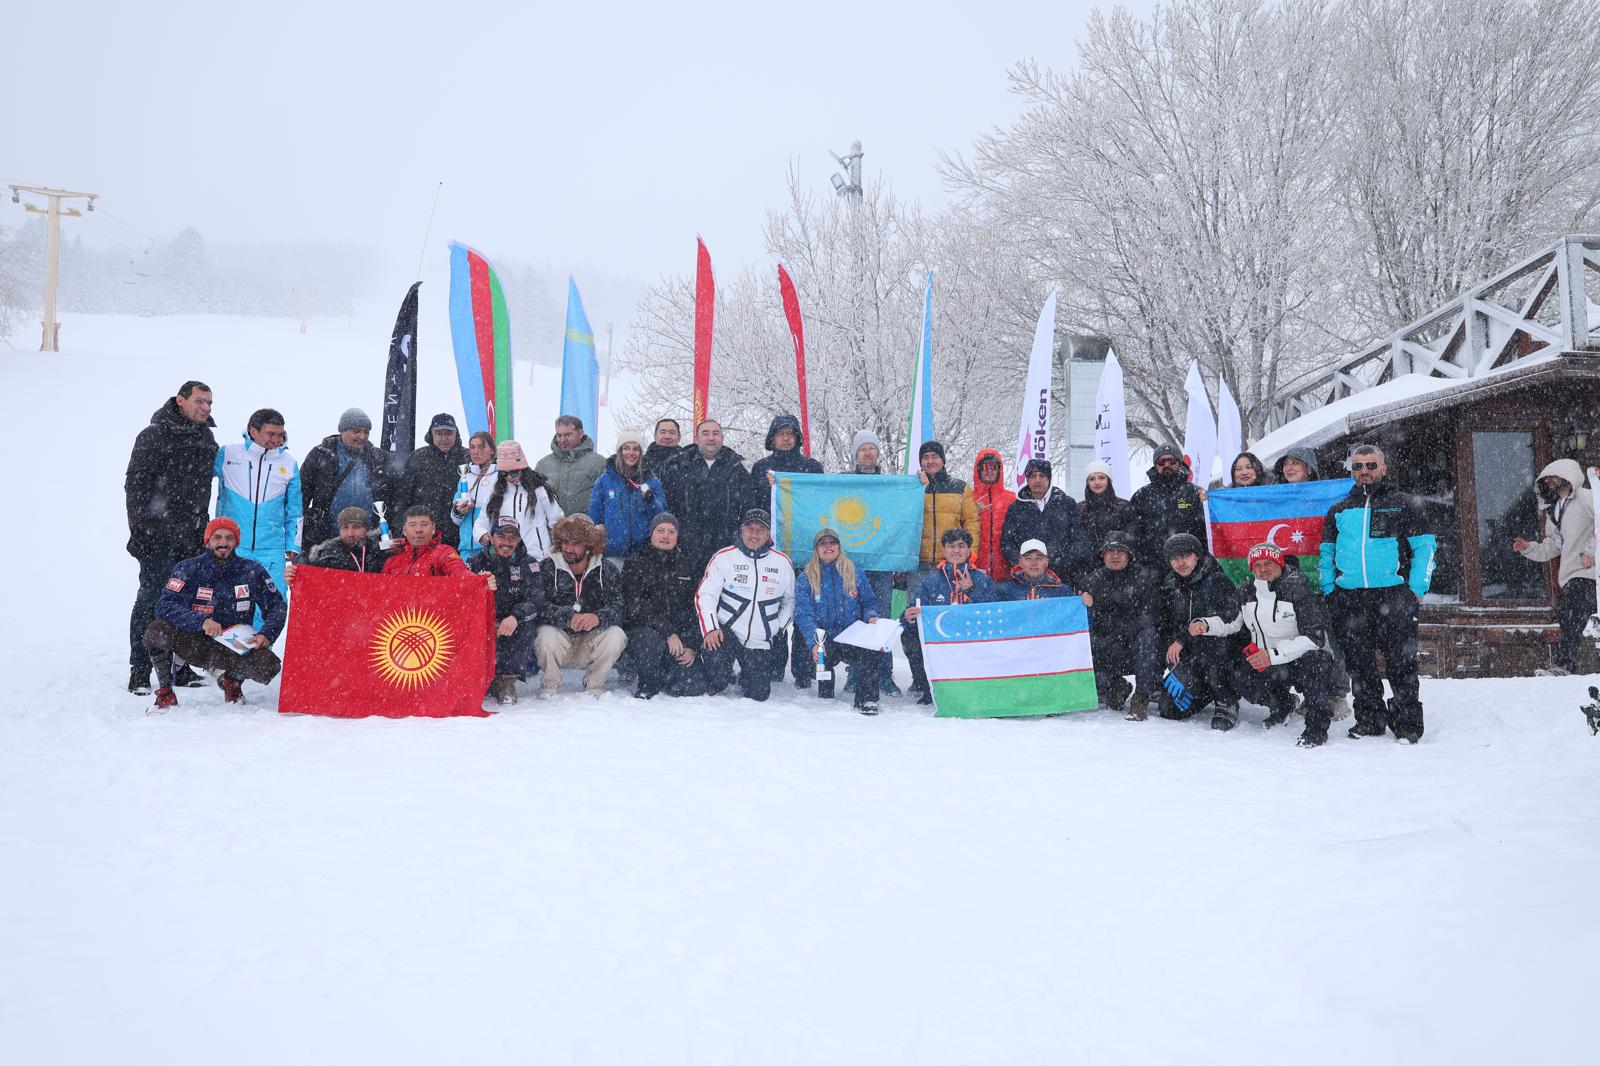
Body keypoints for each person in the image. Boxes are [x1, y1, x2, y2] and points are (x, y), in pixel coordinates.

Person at [1319, 444, 1437, 742]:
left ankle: (1407, 723)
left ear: (1384, 468)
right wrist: (1330, 590)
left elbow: (1425, 548)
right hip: (1350, 598)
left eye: (1371, 465)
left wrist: (1416, 590)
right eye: (1358, 466)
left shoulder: (1403, 504)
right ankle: (1370, 720)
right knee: (1359, 664)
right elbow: (1326, 553)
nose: (1364, 471)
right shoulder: (1339, 510)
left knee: (1401, 662)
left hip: (1394, 596)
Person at [1192, 541, 1336, 747]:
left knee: (1317, 666)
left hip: (1300, 658)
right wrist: (1205, 624)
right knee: (1239, 674)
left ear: (1279, 564)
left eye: (1268, 563)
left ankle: (1316, 729)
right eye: (1257, 565)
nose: (1262, 570)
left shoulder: (1300, 590)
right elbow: (1231, 621)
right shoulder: (1246, 591)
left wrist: (1273, 655)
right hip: (1266, 660)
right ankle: (1283, 704)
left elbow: (1315, 639)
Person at [125, 380, 218, 694]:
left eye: (209, 403)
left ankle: (180, 667)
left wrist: (203, 531)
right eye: (199, 401)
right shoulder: (153, 436)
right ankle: (140, 671)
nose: (205, 408)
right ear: (180, 400)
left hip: (192, 538)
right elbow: (135, 488)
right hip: (157, 537)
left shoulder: (206, 439)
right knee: (151, 601)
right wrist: (140, 532)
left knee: (189, 604)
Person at [142, 517, 288, 709]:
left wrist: (266, 634)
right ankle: (166, 693)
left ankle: (232, 682)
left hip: (233, 645)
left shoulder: (252, 570)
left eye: (229, 538)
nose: (223, 543)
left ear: (236, 542)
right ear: (208, 541)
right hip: (195, 642)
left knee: (269, 665)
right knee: (157, 630)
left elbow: (277, 606)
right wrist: (201, 621)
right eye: (217, 537)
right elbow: (165, 605)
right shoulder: (188, 568)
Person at [696, 508, 795, 702]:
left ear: (768, 534)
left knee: (759, 694)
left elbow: (790, 600)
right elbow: (705, 595)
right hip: (726, 632)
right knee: (717, 680)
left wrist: (777, 626)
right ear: (742, 530)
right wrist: (711, 628)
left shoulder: (782, 562)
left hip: (760, 637)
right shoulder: (724, 557)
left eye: (760, 530)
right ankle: (721, 675)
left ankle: (746, 675)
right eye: (750, 529)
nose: (754, 534)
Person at [1514, 458, 1597, 676]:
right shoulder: (1554, 512)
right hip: (1571, 577)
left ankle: (1564, 666)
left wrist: (1591, 553)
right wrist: (1529, 548)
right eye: (1546, 479)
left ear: (1567, 477)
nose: (1549, 481)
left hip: (1589, 574)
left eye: (1553, 477)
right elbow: (1553, 546)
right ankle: (1567, 667)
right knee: (1573, 620)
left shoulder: (1587, 498)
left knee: (1572, 618)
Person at [901, 528, 998, 705]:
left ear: (969, 550)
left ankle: (979, 684)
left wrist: (972, 591)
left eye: (961, 546)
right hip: (941, 639)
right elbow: (913, 608)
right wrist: (907, 616)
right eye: (951, 546)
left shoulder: (982, 579)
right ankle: (927, 687)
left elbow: (993, 614)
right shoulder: (932, 580)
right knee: (909, 634)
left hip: (971, 637)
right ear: (944, 551)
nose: (956, 551)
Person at [794, 529, 885, 715]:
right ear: (816, 549)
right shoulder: (806, 578)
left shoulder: (855, 574)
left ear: (839, 547)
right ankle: (823, 691)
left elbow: (869, 603)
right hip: (824, 639)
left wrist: (871, 616)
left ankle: (867, 699)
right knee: (814, 656)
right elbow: (804, 614)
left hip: (851, 637)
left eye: (832, 542)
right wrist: (814, 642)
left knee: (874, 650)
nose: (828, 546)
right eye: (823, 543)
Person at [535, 514, 627, 698]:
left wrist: (597, 617)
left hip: (590, 642)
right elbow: (537, 604)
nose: (569, 549)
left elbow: (619, 606)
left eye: (576, 544)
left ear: (589, 546)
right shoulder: (547, 567)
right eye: (565, 542)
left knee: (617, 635)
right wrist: (567, 616)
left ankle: (594, 684)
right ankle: (550, 684)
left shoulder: (606, 569)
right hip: (560, 640)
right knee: (544, 633)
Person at [1156, 532, 1241, 728]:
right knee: (1169, 709)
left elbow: (1229, 618)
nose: (1181, 563)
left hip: (1221, 653)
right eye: (1175, 558)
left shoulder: (1217, 580)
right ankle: (1205, 690)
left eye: (1185, 556)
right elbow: (1165, 623)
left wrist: (1184, 638)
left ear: (1197, 556)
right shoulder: (1169, 586)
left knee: (1211, 644)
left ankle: (1226, 699)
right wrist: (1173, 652)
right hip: (1190, 654)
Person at [213, 407, 303, 591]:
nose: (276, 440)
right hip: (232, 545)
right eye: (271, 434)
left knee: (273, 601)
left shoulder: (288, 463)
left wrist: (293, 545)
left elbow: (294, 510)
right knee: (229, 600)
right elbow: (195, 478)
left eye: (280, 435)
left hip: (271, 549)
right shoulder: (228, 454)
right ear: (253, 431)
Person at [619, 513, 707, 699]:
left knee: (692, 687)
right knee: (649, 641)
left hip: (679, 637)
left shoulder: (688, 564)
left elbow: (696, 608)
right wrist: (668, 632)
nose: (665, 536)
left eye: (671, 531)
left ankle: (668, 675)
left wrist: (692, 645)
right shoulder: (635, 563)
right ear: (651, 534)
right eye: (660, 530)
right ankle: (648, 683)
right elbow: (635, 607)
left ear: (677, 536)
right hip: (646, 633)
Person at [1078, 530, 1162, 720]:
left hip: (1134, 647)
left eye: (1120, 551)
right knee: (1084, 642)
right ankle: (1116, 686)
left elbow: (1151, 616)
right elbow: (1083, 622)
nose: (1115, 555)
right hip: (1106, 647)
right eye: (1110, 551)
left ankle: (1141, 697)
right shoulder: (1090, 581)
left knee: (1149, 636)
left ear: (1129, 555)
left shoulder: (1145, 579)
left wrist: (1121, 634)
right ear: (1102, 555)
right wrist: (1082, 602)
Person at [660, 419, 758, 573]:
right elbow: (666, 506)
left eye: (715, 433)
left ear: (722, 438)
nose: (711, 438)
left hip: (725, 551)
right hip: (684, 551)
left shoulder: (736, 468)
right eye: (705, 433)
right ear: (696, 438)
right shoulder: (678, 466)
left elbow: (748, 508)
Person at [844, 429, 900, 696]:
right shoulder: (844, 483)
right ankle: (856, 672)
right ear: (856, 455)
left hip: (882, 562)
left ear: (878, 453)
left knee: (882, 617)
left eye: (872, 448)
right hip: (852, 564)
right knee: (855, 617)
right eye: (862, 449)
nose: (868, 453)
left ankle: (884, 673)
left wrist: (920, 483)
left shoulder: (891, 485)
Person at [468, 517, 546, 705]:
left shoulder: (529, 564)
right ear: (491, 537)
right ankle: (477, 679)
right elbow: (463, 597)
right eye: (501, 536)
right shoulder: (475, 562)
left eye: (512, 537)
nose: (506, 542)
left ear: (519, 540)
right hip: (483, 620)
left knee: (525, 625)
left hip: (512, 621)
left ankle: (506, 681)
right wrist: (486, 620)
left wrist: (515, 617)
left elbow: (537, 600)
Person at [299, 408, 391, 548]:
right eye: (356, 431)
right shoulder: (321, 454)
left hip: (369, 539)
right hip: (326, 538)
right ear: (342, 430)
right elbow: (301, 496)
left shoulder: (379, 457)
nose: (362, 436)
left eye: (366, 432)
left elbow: (394, 496)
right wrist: (300, 535)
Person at [474, 441, 563, 561]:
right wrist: (483, 536)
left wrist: (558, 548)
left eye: (514, 472)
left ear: (523, 468)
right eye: (504, 473)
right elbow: (481, 523)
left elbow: (557, 520)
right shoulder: (496, 493)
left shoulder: (539, 489)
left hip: (538, 557)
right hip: (505, 558)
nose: (509, 477)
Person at [1000, 458, 1082, 587]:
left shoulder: (1067, 504)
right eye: (1033, 476)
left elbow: (1077, 540)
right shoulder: (1016, 507)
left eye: (1042, 476)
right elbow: (1007, 542)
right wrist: (1024, 565)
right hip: (1026, 580)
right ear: (1027, 479)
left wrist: (1062, 564)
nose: (1038, 480)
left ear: (1049, 478)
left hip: (1062, 578)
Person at [588, 429, 666, 560]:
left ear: (640, 453)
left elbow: (662, 517)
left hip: (644, 555)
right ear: (620, 451)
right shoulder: (604, 481)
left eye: (635, 449)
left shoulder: (651, 481)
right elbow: (594, 517)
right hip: (612, 553)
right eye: (626, 448)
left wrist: (651, 501)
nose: (631, 453)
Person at [1128, 444, 1207, 564]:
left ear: (1179, 463)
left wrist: (1201, 561)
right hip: (1152, 566)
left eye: (1172, 461)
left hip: (1188, 565)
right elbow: (1133, 535)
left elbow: (1206, 532)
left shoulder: (1195, 493)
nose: (1167, 465)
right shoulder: (1141, 496)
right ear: (1155, 465)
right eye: (1161, 462)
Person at [398, 413, 470, 537]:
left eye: (448, 433)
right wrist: (401, 530)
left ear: (456, 434)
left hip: (461, 533)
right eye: (439, 433)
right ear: (431, 434)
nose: (444, 438)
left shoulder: (468, 457)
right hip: (424, 534)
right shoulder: (417, 457)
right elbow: (403, 498)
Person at [916, 441, 980, 571]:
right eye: (925, 457)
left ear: (943, 460)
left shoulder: (960, 487)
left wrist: (970, 553)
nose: (930, 461)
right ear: (921, 462)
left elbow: (971, 521)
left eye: (935, 456)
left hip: (952, 560)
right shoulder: (914, 488)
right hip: (919, 563)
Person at [535, 415, 608, 515]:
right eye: (559, 435)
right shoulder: (543, 465)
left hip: (587, 524)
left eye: (568, 435)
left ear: (580, 433)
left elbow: (608, 499)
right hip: (551, 525)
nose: (562, 440)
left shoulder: (598, 463)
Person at [1077, 461, 1135, 584]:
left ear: (1108, 480)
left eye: (1101, 478)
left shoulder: (1124, 507)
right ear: (1087, 483)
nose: (1097, 482)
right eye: (1092, 479)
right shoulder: (1079, 509)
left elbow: (1132, 540)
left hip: (1119, 572)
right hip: (1088, 573)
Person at [381, 505, 476, 577]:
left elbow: (461, 574)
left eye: (424, 524)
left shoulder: (444, 553)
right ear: (404, 530)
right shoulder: (392, 560)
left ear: (433, 528)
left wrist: (479, 581)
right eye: (413, 525)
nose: (418, 530)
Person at [291, 506, 388, 574]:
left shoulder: (383, 552)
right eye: (345, 527)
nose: (350, 533)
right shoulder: (325, 556)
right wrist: (293, 575)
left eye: (356, 527)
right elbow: (306, 584)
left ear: (366, 529)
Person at [449, 431, 497, 559]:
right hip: (467, 548)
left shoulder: (498, 476)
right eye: (472, 447)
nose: (476, 452)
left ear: (492, 450)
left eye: (481, 447)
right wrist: (459, 512)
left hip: (490, 548)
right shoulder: (465, 476)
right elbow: (455, 520)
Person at [971, 448, 1016, 585]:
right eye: (985, 466)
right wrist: (972, 511)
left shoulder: (1011, 498)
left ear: (999, 470)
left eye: (994, 466)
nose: (989, 470)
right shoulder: (969, 499)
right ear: (979, 470)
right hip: (976, 572)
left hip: (1006, 574)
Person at [750, 413, 823, 488]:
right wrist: (766, 485)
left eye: (790, 433)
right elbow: (751, 494)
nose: (786, 438)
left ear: (796, 437)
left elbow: (822, 492)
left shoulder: (813, 467)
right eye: (780, 434)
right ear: (773, 439)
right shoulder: (760, 468)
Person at [996, 539, 1070, 600]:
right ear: (1020, 562)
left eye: (1039, 558)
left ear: (1046, 562)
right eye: (1028, 558)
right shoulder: (1005, 590)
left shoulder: (1062, 591)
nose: (1034, 563)